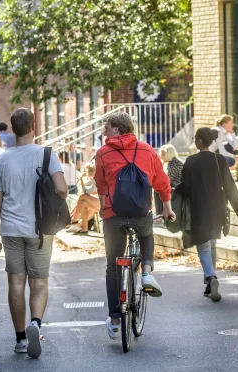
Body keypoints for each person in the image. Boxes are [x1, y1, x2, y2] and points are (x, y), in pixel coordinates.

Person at [0, 108, 68, 359]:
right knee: (39, 281)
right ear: (34, 127)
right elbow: (62, 189)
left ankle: (21, 338)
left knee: (15, 282)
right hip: (40, 229)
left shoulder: (2, 159)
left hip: (11, 230)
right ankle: (36, 323)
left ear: (12, 130)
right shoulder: (46, 154)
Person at [94, 112, 175, 341]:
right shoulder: (148, 150)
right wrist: (167, 208)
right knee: (147, 235)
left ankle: (115, 318)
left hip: (114, 215)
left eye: (106, 127)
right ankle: (147, 272)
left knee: (112, 266)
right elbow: (162, 182)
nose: (103, 132)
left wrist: (103, 208)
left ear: (117, 129)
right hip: (140, 213)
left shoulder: (103, 153)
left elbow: (100, 185)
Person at [180, 128, 238, 302]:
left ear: (200, 142)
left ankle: (211, 277)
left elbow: (185, 188)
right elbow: (230, 185)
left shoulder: (191, 161)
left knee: (203, 246)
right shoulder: (220, 160)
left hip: (198, 208)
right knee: (212, 243)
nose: (194, 141)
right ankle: (210, 284)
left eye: (195, 139)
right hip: (218, 207)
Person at [70, 163, 100, 234]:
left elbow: (86, 192)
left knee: (82, 196)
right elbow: (85, 191)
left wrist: (81, 179)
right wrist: (81, 179)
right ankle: (84, 228)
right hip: (98, 204)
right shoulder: (94, 180)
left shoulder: (99, 180)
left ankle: (74, 218)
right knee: (82, 203)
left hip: (104, 204)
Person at [155, 144, 184, 214]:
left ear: (169, 154)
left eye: (163, 154)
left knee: (158, 190)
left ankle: (159, 213)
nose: (161, 157)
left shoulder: (174, 164)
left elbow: (168, 180)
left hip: (177, 189)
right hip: (175, 187)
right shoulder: (174, 162)